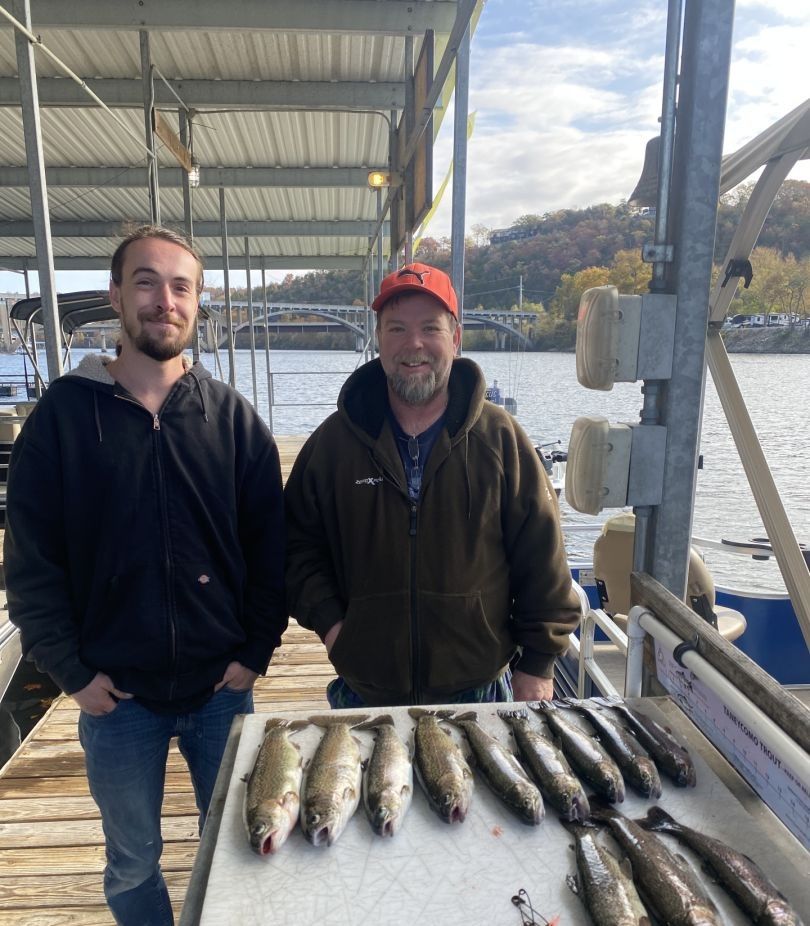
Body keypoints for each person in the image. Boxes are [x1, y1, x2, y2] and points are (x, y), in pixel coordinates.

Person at [4, 226, 286, 926]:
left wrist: (256, 649)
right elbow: (31, 564)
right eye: (147, 282)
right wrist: (67, 668)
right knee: (132, 861)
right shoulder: (61, 422)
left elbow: (270, 548)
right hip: (115, 694)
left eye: (182, 286)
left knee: (242, 843)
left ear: (198, 305)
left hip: (220, 688)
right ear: (116, 297)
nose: (166, 300)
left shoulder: (233, 421)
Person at [284, 262, 579, 708]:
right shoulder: (333, 443)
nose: (413, 344)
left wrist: (537, 664)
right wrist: (333, 627)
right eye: (397, 328)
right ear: (378, 339)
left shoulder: (500, 439)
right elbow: (295, 547)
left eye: (430, 328)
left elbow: (543, 559)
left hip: (479, 691)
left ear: (455, 339)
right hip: (365, 691)